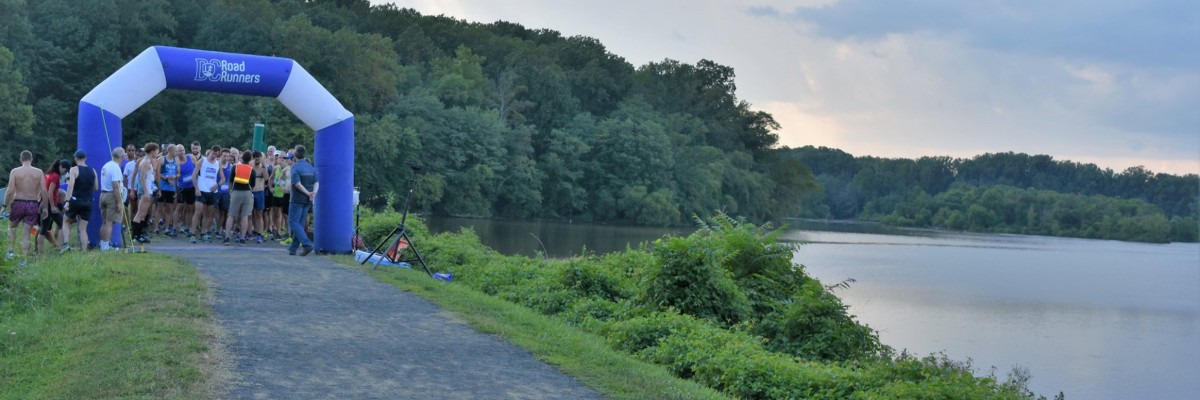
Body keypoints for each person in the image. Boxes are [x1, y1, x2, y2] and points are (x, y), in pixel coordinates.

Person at [5, 150, 49, 258]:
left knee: (12, 228)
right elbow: (44, 191)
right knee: (26, 233)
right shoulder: (39, 172)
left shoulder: (15, 171)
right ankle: (24, 259)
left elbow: (10, 191)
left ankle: (10, 252)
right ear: (31, 159)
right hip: (32, 204)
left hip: (18, 203)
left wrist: (4, 206)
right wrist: (46, 208)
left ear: (20, 159)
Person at [62, 150, 97, 252]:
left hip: (76, 200)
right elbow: (96, 187)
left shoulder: (74, 169)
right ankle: (84, 251)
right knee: (83, 228)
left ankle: (66, 244)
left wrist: (67, 201)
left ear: (75, 158)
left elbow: (70, 186)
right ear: (85, 158)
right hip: (88, 202)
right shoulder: (93, 170)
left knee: (66, 221)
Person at [288, 145, 318, 256]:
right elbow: (316, 182)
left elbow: (297, 184)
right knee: (299, 224)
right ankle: (293, 249)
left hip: (297, 199)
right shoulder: (310, 167)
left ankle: (307, 244)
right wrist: (313, 193)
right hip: (308, 200)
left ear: (295, 155)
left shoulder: (295, 168)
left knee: (293, 222)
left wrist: (307, 193)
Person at [189, 145, 224, 243]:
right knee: (198, 212)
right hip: (201, 190)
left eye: (216, 155)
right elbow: (193, 175)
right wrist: (196, 188)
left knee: (209, 214)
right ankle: (192, 234)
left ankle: (203, 233)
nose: (214, 156)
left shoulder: (217, 164)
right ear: (210, 151)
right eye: (213, 153)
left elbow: (223, 179)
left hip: (212, 192)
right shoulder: (202, 161)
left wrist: (217, 185)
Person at [224, 151, 256, 245]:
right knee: (245, 216)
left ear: (242, 158)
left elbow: (230, 181)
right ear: (250, 159)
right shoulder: (251, 170)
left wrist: (231, 191)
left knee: (231, 215)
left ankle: (227, 237)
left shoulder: (235, 167)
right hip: (247, 193)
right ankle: (242, 238)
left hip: (236, 192)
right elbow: (253, 185)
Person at [131, 142, 160, 243]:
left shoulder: (149, 161)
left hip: (149, 189)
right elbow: (142, 178)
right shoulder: (146, 162)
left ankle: (139, 235)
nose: (157, 153)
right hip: (145, 191)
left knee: (143, 214)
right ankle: (135, 236)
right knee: (140, 213)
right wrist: (146, 192)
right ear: (152, 152)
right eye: (157, 151)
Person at [99, 147, 126, 251]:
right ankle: (105, 248)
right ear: (122, 156)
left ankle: (103, 245)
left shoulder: (106, 165)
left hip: (103, 195)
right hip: (112, 196)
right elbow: (116, 186)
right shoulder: (115, 167)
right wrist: (119, 202)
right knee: (110, 222)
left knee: (105, 222)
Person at [36, 158, 66, 251]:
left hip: (43, 203)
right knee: (63, 224)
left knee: (43, 230)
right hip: (48, 205)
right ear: (61, 167)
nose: (65, 172)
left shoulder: (49, 174)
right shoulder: (55, 176)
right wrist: (52, 206)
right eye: (66, 169)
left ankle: (39, 252)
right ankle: (62, 247)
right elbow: (50, 192)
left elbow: (43, 190)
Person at [177, 141, 199, 236]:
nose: (181, 152)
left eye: (183, 150)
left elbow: (198, 168)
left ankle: (187, 227)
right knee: (180, 208)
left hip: (191, 186)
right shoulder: (176, 161)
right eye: (179, 151)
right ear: (176, 152)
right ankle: (175, 227)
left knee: (190, 208)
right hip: (181, 187)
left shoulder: (191, 157)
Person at [157, 144, 180, 236]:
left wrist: (174, 176)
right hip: (162, 187)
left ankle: (166, 228)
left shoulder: (177, 160)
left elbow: (179, 173)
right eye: (176, 151)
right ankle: (156, 228)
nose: (177, 153)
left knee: (169, 208)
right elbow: (157, 173)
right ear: (170, 151)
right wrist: (166, 178)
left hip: (172, 187)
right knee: (160, 207)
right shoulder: (162, 159)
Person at [269, 151, 290, 240]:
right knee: (276, 213)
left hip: (284, 195)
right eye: (279, 157)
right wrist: (270, 188)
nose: (280, 159)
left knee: (284, 215)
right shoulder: (276, 168)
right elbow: (271, 178)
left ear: (286, 159)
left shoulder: (289, 169)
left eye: (283, 158)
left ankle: (285, 232)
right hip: (276, 194)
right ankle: (276, 231)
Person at [250, 151, 268, 243]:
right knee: (250, 214)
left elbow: (266, 178)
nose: (257, 159)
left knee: (259, 214)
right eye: (255, 158)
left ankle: (259, 233)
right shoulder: (250, 167)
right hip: (251, 192)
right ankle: (250, 232)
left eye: (258, 158)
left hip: (260, 192)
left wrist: (264, 166)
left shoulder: (262, 168)